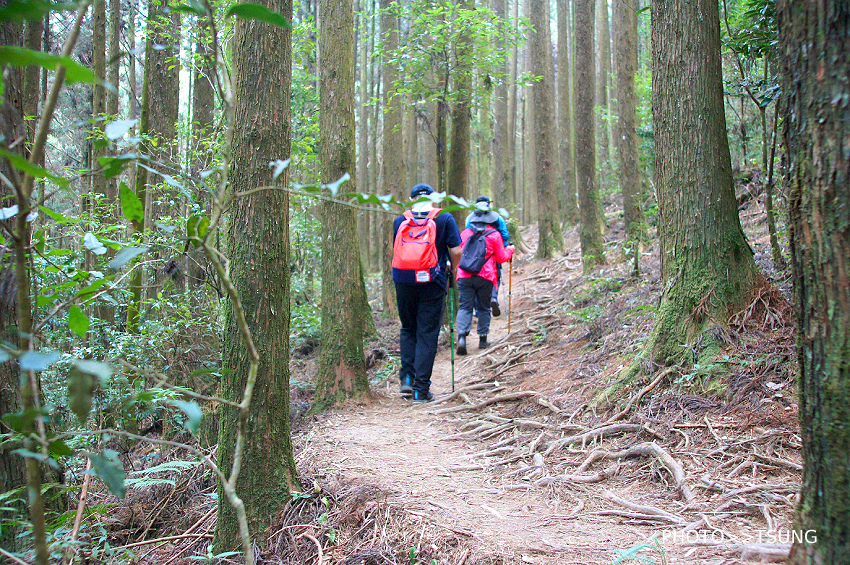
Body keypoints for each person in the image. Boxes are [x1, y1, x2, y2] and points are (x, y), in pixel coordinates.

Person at [392, 183, 462, 404]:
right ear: (433, 199)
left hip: (403, 281)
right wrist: (454, 268)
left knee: (408, 328)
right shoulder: (444, 219)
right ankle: (420, 391)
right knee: (427, 333)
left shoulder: (400, 221)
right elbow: (457, 250)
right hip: (433, 281)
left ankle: (407, 377)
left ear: (411, 199)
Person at [456, 209, 514, 354]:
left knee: (465, 307)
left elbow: (458, 253)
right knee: (484, 307)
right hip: (485, 276)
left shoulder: (465, 234)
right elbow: (501, 257)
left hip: (464, 276)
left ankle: (462, 338)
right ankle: (483, 339)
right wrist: (511, 250)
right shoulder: (494, 235)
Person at [465, 195, 509, 316]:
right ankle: (493, 298)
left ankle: (477, 308)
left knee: (473, 276)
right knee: (495, 274)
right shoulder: (497, 217)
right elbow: (504, 233)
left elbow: (467, 233)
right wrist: (503, 246)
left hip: (474, 253)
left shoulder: (470, 218)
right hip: (494, 250)